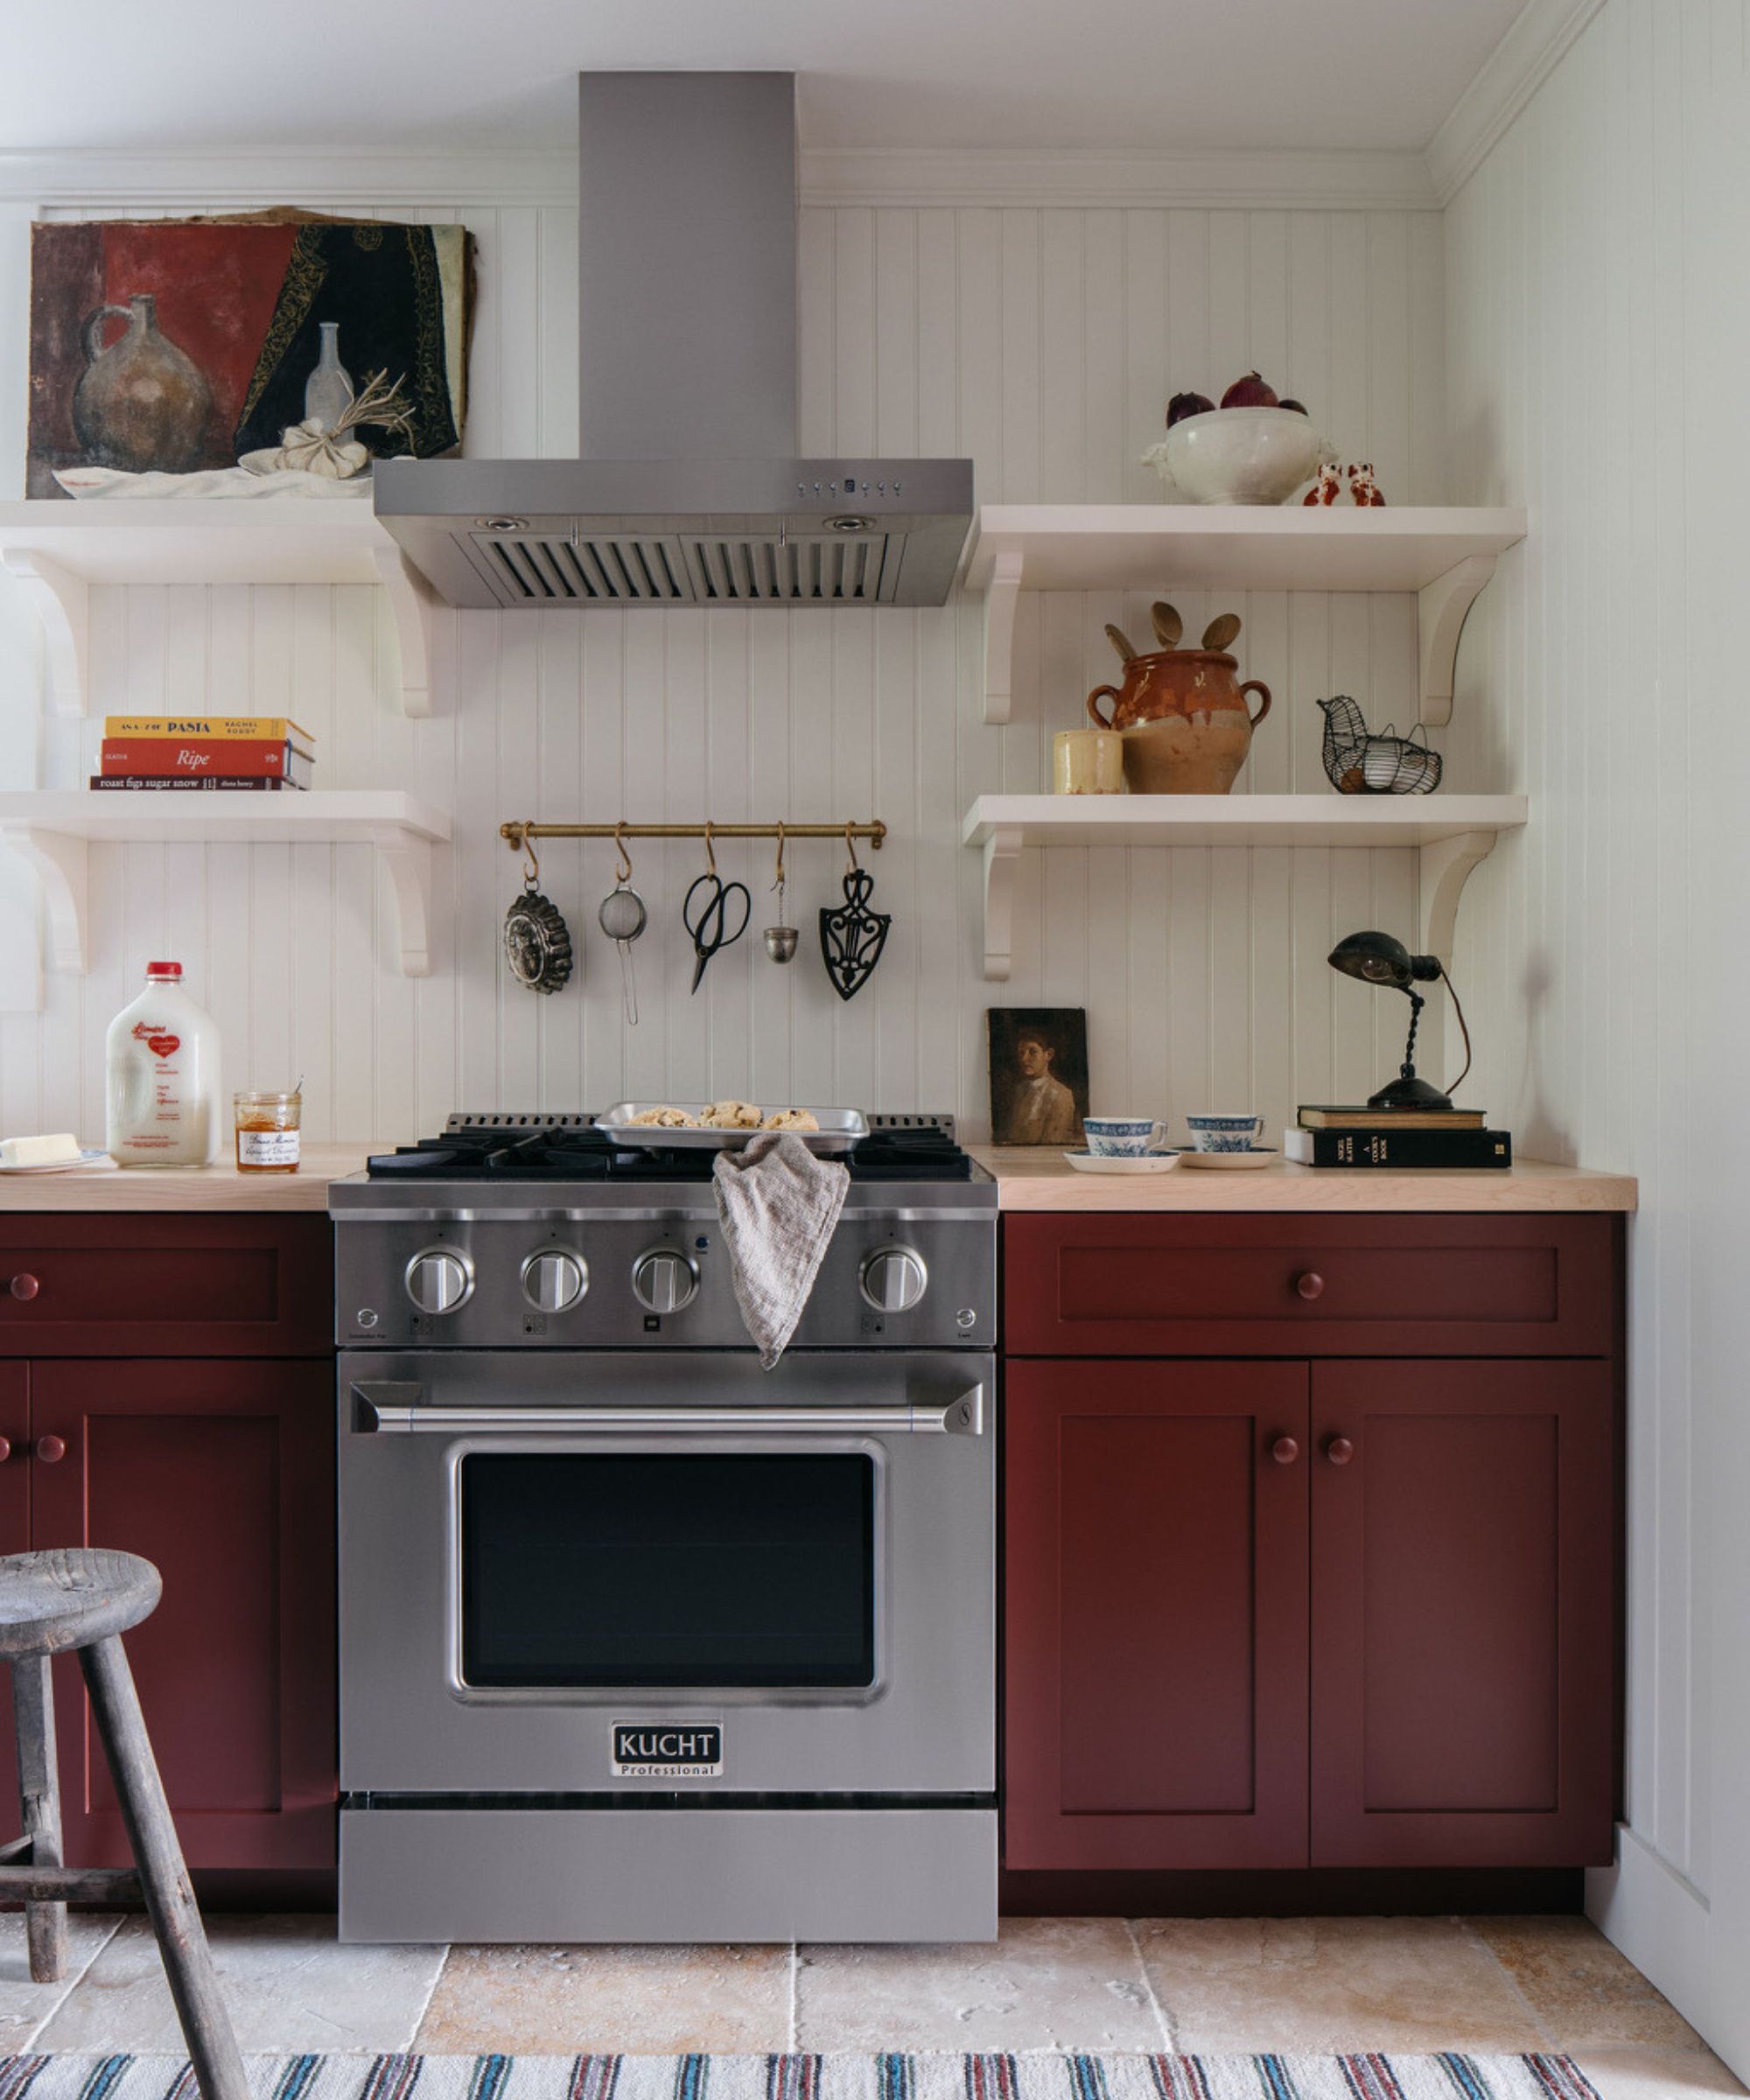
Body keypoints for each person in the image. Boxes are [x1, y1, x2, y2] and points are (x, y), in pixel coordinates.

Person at [1005, 1029, 1082, 1145]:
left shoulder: (1061, 1095)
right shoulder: (1019, 1090)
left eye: (1032, 1052)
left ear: (1049, 1055)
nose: (1024, 1059)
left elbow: (1052, 1144)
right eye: (1021, 1053)